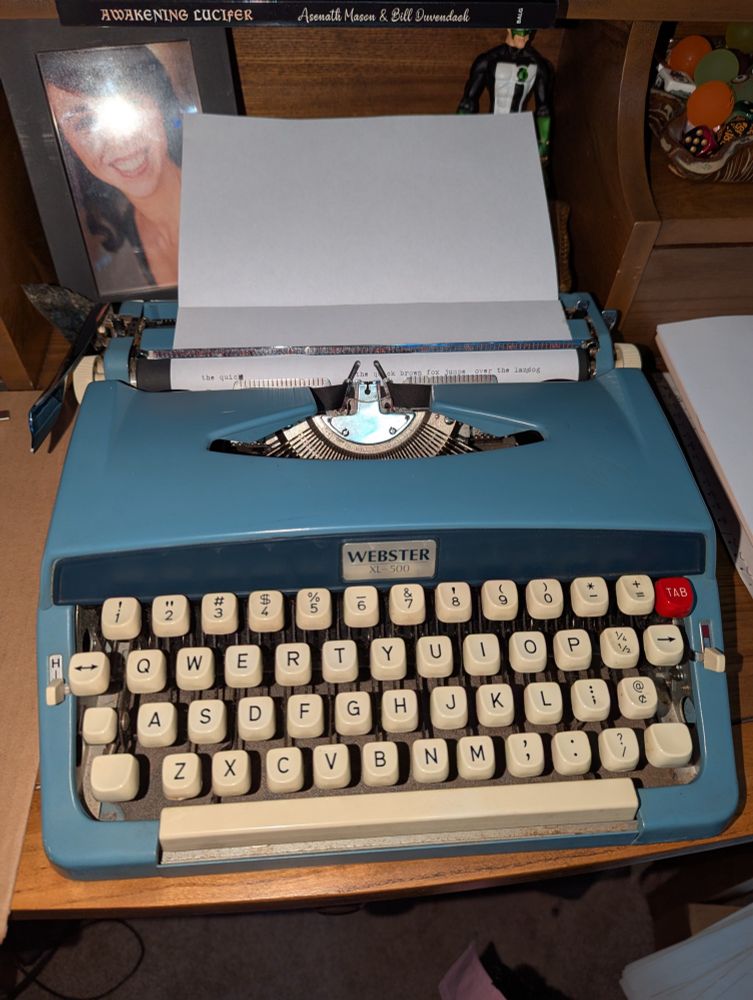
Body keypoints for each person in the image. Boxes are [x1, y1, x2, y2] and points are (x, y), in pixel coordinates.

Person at [41, 45, 189, 294]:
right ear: (68, 146)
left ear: (159, 104)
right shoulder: (114, 272)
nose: (120, 142)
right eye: (85, 122)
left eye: (130, 103)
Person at [457, 29, 552, 165]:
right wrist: (459, 136)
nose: (525, 37)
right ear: (509, 28)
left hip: (517, 134)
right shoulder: (488, 60)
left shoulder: (537, 65)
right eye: (521, 30)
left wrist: (543, 147)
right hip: (491, 130)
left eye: (528, 31)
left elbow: (543, 109)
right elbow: (468, 103)